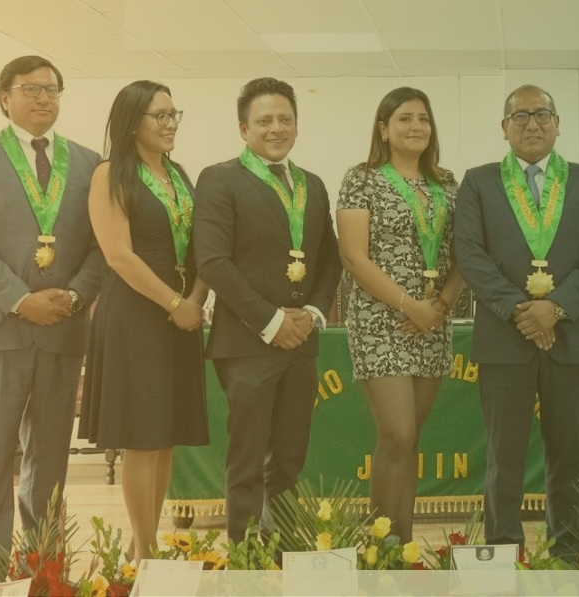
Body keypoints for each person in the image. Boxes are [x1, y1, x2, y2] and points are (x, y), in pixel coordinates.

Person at [0, 55, 105, 571]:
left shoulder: (89, 162)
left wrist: (74, 298)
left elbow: (103, 246)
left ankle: (45, 571)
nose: (43, 98)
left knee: (51, 460)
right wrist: (22, 300)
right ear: (4, 97)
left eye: (52, 89)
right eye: (31, 89)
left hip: (63, 328)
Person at [455, 84, 579, 565]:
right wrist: (522, 311)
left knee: (569, 454)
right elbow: (470, 254)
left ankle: (566, 554)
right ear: (504, 128)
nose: (532, 123)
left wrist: (555, 308)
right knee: (504, 455)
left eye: (542, 113)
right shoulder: (478, 182)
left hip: (571, 337)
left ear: (558, 123)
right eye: (520, 115)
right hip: (505, 337)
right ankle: (504, 554)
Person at [195, 77, 341, 545]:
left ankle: (282, 549)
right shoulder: (219, 179)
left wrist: (313, 313)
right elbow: (213, 261)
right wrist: (272, 321)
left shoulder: (312, 185)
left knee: (289, 457)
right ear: (244, 129)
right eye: (264, 121)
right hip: (247, 343)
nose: (276, 128)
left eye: (285, 119)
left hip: (301, 342)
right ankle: (243, 555)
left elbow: (330, 258)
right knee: (247, 458)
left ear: (296, 125)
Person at [80, 80, 209, 559]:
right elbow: (118, 255)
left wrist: (194, 299)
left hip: (180, 312)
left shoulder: (178, 174)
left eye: (175, 114)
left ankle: (142, 547)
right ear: (133, 122)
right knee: (142, 435)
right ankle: (148, 552)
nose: (171, 123)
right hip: (136, 312)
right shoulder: (110, 173)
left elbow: (199, 247)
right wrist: (176, 304)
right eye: (161, 115)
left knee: (165, 435)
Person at [336, 87, 461, 542]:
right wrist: (411, 306)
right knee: (398, 433)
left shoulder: (446, 182)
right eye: (405, 118)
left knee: (410, 441)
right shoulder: (362, 178)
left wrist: (440, 307)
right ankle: (380, 548)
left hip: (433, 321)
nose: (416, 127)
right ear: (384, 128)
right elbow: (354, 257)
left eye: (423, 118)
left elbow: (464, 253)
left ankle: (401, 550)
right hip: (380, 321)